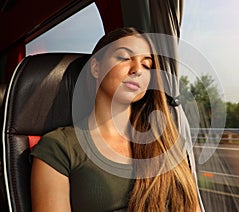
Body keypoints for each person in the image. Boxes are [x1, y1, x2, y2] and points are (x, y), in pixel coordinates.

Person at [30, 27, 201, 212]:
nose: (137, 70)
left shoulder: (167, 142)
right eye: (124, 58)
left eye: (146, 65)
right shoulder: (59, 147)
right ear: (96, 68)